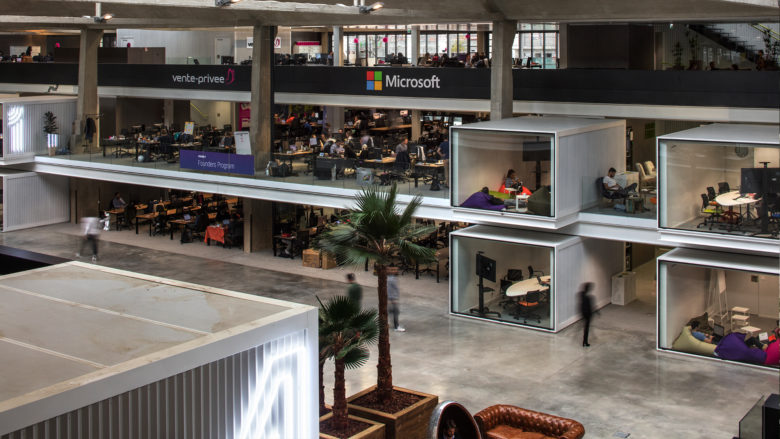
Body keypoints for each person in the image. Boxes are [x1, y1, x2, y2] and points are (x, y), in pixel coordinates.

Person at [387, 266, 405, 332]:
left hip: (392, 298)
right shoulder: (391, 279)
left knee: (391, 311)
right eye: (394, 269)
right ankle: (396, 326)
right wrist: (392, 299)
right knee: (395, 312)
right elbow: (390, 289)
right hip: (392, 298)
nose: (396, 271)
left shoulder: (392, 278)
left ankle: (388, 324)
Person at [579, 282, 594, 347]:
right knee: (586, 328)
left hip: (583, 313)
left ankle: (585, 341)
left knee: (586, 328)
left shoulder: (581, 295)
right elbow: (590, 307)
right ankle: (585, 341)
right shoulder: (588, 298)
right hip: (587, 314)